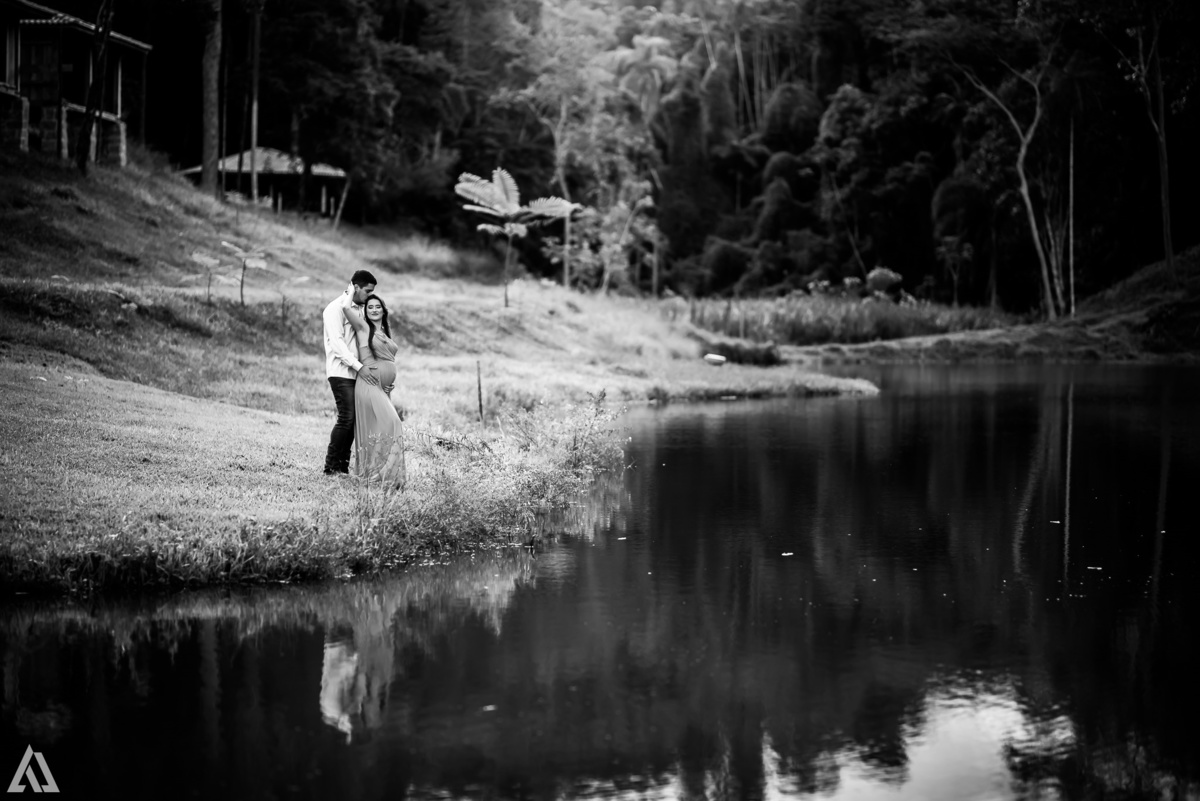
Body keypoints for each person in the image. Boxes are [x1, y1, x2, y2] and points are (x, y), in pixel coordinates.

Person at [341, 292, 406, 487]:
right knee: (393, 423)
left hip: (382, 388)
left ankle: (387, 476)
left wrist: (388, 382)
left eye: (378, 306)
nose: (374, 310)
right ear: (365, 311)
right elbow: (345, 308)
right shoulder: (363, 327)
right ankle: (377, 474)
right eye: (370, 307)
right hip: (368, 384)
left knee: (379, 429)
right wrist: (352, 288)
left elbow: (388, 360)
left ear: (383, 310)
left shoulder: (384, 331)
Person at [322, 271, 378, 475]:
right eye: (367, 291)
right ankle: (331, 467)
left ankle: (342, 468)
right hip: (341, 371)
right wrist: (358, 366)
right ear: (355, 287)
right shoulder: (334, 308)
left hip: (358, 373)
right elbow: (337, 345)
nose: (370, 296)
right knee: (347, 417)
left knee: (354, 421)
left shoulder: (361, 310)